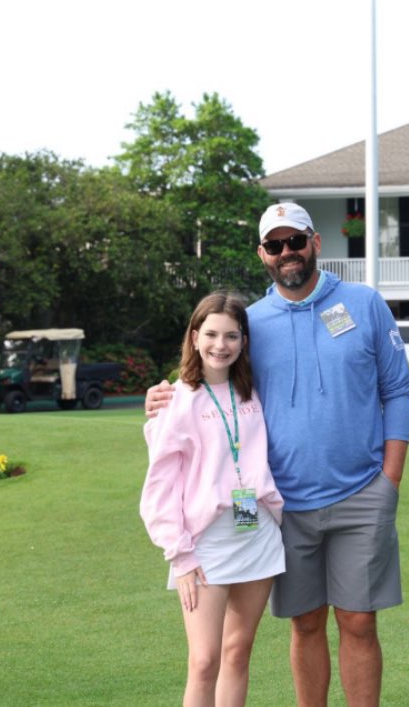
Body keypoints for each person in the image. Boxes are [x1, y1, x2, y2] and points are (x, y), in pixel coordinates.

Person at [145, 202, 409, 707]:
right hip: (283, 506)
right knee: (306, 622)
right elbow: (211, 369)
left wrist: (390, 480)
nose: (287, 252)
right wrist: (160, 397)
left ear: (316, 242)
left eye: (296, 241)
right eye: (275, 244)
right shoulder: (254, 323)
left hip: (361, 493)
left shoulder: (364, 303)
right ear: (263, 254)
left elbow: (396, 389)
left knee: (358, 621)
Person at [140, 291, 285, 707]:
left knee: (238, 653)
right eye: (211, 334)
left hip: (256, 534)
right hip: (206, 545)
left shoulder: (252, 392)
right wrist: (180, 556)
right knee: (204, 661)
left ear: (243, 341)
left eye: (232, 336)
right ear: (194, 336)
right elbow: (159, 487)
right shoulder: (177, 400)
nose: (221, 345)